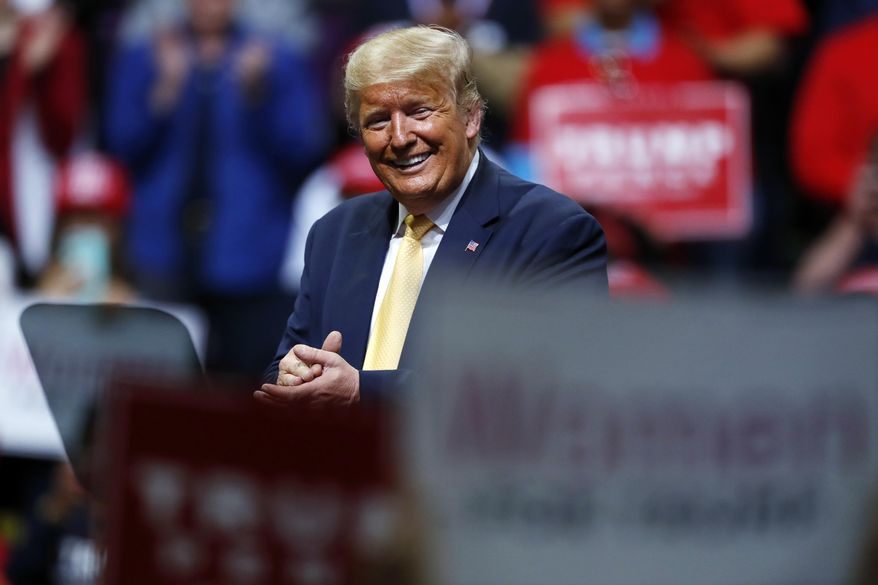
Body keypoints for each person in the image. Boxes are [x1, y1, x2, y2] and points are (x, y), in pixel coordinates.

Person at [256, 25, 607, 408]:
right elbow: (282, 370)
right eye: (377, 121)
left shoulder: (551, 232)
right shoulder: (334, 232)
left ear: (471, 117)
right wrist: (293, 376)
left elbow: (542, 386)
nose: (400, 136)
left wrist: (362, 391)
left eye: (419, 111)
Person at [104, 0, 328, 378]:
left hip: (247, 254)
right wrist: (164, 90)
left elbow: (305, 148)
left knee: (239, 385)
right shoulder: (150, 55)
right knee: (159, 382)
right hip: (162, 252)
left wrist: (260, 95)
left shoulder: (273, 58)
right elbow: (120, 146)